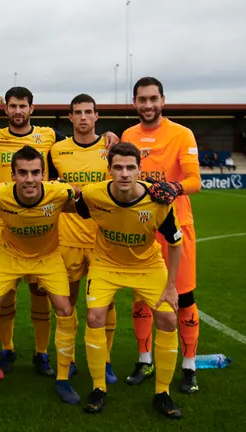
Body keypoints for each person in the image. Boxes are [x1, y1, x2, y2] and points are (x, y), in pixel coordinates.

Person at [76, 142, 183, 419]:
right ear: (109, 170)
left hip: (147, 265)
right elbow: (76, 207)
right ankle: (98, 388)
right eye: (118, 167)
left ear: (140, 170)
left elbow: (175, 243)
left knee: (169, 319)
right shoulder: (92, 195)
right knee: (95, 317)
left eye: (130, 167)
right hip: (106, 263)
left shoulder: (158, 201)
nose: (124, 173)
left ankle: (162, 392)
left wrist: (171, 286)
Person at [0, 145, 79, 404]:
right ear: (12, 175)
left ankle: (63, 379)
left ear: (43, 174)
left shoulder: (58, 192)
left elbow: (88, 195)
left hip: (47, 257)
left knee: (64, 309)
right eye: (22, 173)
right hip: (9, 256)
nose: (29, 179)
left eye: (34, 173)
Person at [121, 77, 202, 394]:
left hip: (177, 229)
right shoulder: (129, 134)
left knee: (183, 298)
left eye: (153, 98)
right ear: (135, 103)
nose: (148, 105)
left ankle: (189, 366)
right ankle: (144, 359)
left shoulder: (181, 134)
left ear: (163, 100)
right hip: (142, 230)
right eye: (142, 99)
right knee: (142, 296)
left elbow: (195, 179)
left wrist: (174, 187)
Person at [47, 94, 114, 382]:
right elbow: (48, 188)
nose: (83, 117)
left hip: (103, 240)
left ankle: (106, 360)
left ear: (96, 116)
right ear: (70, 118)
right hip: (68, 238)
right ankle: (69, 357)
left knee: (106, 304)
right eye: (78, 112)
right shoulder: (56, 150)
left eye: (89, 112)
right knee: (67, 303)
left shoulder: (110, 147)